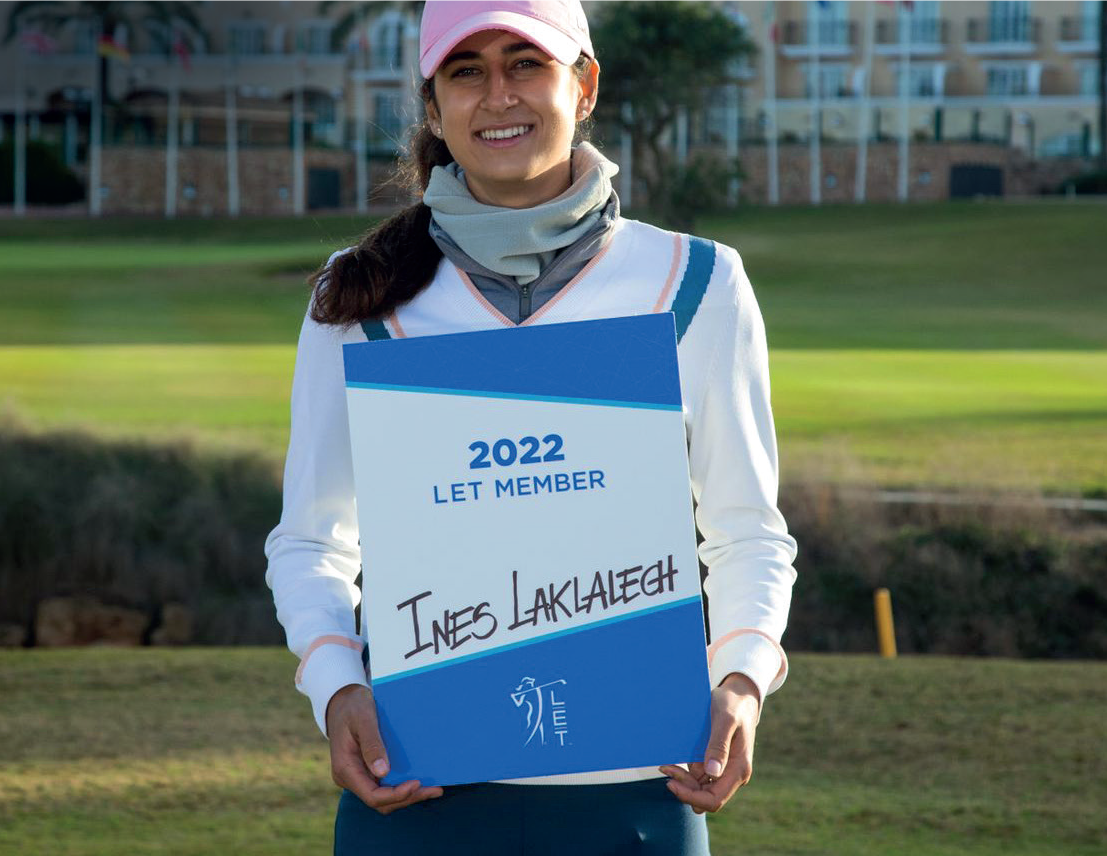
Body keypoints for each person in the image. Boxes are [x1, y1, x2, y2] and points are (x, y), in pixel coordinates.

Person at [264, 1, 797, 852]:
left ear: (583, 85)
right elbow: (311, 538)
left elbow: (746, 532)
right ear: (432, 109)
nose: (497, 95)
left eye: (526, 64)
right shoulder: (357, 296)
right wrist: (337, 687)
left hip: (635, 798)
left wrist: (740, 679)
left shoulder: (694, 283)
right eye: (465, 72)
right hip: (416, 790)